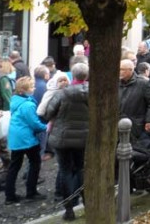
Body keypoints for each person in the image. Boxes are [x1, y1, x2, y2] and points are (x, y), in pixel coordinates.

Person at [44, 63, 89, 221]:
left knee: (65, 171)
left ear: (73, 76)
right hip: (83, 137)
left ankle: (69, 209)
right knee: (81, 169)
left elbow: (48, 112)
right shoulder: (92, 92)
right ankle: (87, 204)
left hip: (62, 137)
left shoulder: (62, 93)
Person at [5, 76, 47, 205]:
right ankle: (31, 192)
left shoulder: (14, 100)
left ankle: (9, 196)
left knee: (14, 166)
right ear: (24, 90)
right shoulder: (28, 105)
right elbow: (34, 124)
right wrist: (46, 127)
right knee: (35, 162)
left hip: (15, 138)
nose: (34, 88)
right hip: (26, 138)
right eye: (31, 87)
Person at [119, 59, 150, 143]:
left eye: (122, 69)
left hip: (136, 126)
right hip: (118, 124)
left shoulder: (142, 84)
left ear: (130, 70)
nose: (119, 72)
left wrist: (149, 120)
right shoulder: (117, 83)